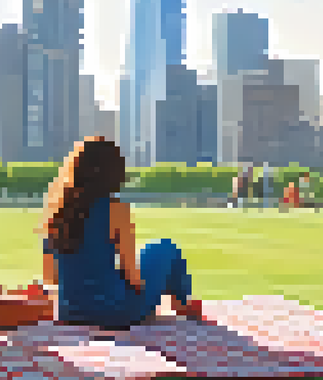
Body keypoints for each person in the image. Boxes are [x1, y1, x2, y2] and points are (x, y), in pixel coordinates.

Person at [41, 137, 202, 329]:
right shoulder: (116, 209)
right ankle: (183, 303)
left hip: (70, 312)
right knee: (166, 248)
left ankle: (176, 302)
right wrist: (154, 289)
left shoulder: (57, 213)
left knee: (149, 253)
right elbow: (133, 277)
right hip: (116, 312)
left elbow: (51, 277)